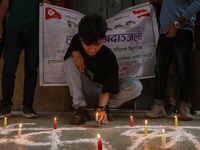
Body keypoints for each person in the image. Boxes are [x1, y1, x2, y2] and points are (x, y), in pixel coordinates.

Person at [63, 14, 143, 125]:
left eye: (97, 44)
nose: (92, 49)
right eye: (88, 45)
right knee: (69, 63)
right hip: (87, 88)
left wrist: (101, 107)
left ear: (103, 38)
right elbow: (68, 58)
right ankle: (81, 109)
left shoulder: (109, 57)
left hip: (105, 91)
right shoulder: (77, 40)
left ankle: (102, 107)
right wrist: (74, 52)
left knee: (136, 86)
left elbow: (108, 89)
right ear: (81, 39)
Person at [144, 0, 200, 121]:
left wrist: (176, 24)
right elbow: (174, 4)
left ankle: (185, 107)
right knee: (160, 71)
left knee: (184, 71)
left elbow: (197, 3)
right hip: (164, 32)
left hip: (182, 31)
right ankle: (158, 106)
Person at [0, 0, 53, 118]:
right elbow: (5, 3)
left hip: (35, 29)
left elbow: (49, 4)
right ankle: (5, 106)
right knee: (8, 68)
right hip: (13, 29)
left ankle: (28, 106)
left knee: (31, 70)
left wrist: (47, 3)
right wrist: (0, 24)